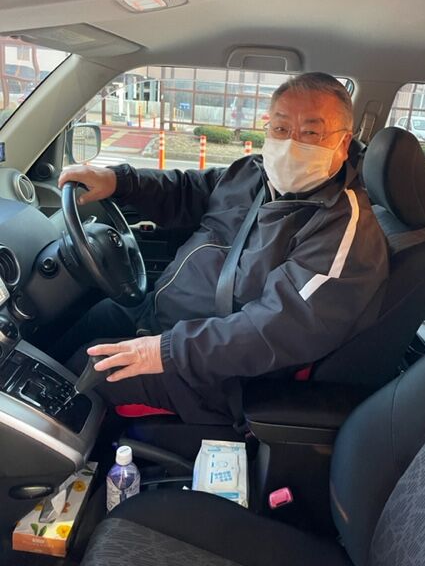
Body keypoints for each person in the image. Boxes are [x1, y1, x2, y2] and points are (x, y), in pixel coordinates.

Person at [57, 72, 389, 425]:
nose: (291, 143)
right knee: (88, 322)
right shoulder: (253, 173)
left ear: (343, 142)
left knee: (81, 372)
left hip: (219, 373)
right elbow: (188, 190)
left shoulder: (345, 230)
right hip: (162, 318)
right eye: (280, 128)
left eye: (310, 133)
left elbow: (279, 328)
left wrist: (165, 350)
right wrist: (119, 181)